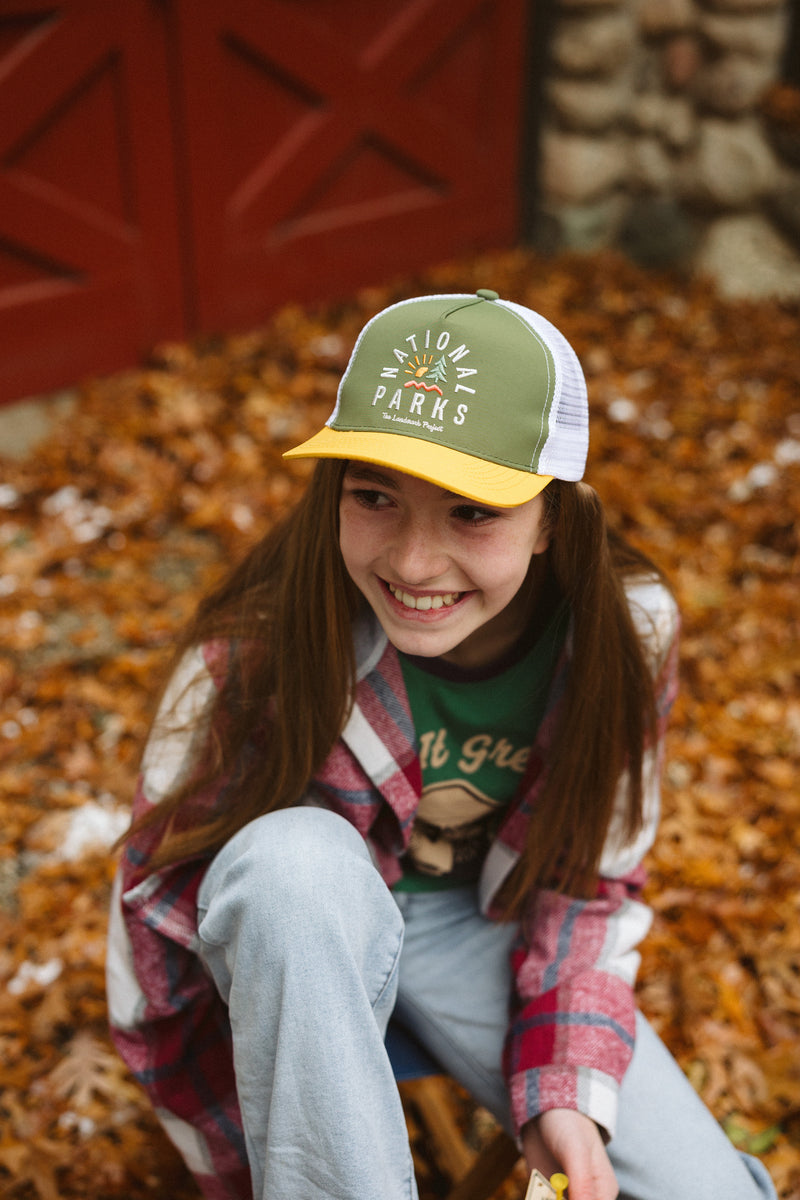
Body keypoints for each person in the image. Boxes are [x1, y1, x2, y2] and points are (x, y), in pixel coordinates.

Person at [106, 290, 776, 1200]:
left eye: (471, 513)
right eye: (374, 497)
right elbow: (154, 905)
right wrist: (226, 1148)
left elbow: (593, 880)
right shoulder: (255, 648)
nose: (414, 565)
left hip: (482, 928)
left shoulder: (627, 631)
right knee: (295, 862)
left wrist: (566, 1083)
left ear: (554, 521)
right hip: (298, 943)